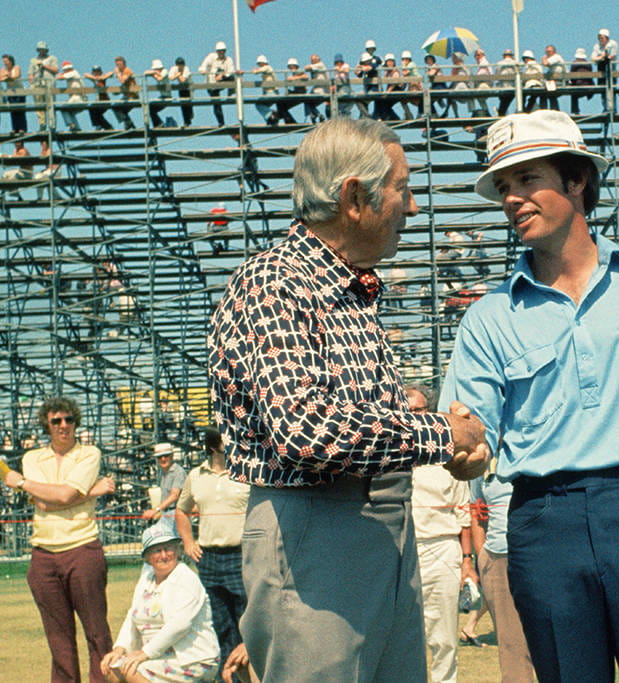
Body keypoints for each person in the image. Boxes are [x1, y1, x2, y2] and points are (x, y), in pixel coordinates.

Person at [439, 110, 619, 682]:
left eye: (527, 179)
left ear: (577, 180)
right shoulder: (487, 317)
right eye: (503, 187)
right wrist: (463, 452)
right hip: (542, 523)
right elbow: (473, 441)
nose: (512, 199)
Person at [206, 117, 489, 680]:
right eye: (402, 188)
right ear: (354, 198)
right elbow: (306, 431)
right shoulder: (276, 281)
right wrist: (442, 436)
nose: (411, 207)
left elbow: (339, 411)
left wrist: (421, 424)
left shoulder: (349, 288)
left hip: (379, 524)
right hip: (316, 530)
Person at [2, 396, 116, 683]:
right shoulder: (32, 458)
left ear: (76, 422)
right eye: (56, 421)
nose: (64, 426)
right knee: (58, 638)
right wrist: (90, 491)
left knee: (97, 632)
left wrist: (22, 482)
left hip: (82, 549)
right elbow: (44, 504)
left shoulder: (89, 453)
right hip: (43, 556)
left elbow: (60, 497)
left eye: (69, 419)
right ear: (47, 425)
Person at [408, 384, 478, 683]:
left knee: (444, 635)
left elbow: (464, 515)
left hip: (442, 550)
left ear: (430, 412)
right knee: (405, 635)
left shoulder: (446, 455)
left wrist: (466, 562)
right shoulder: (391, 453)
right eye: (406, 412)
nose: (411, 417)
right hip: (403, 551)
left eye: (418, 411)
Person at [175, 428, 250, 675]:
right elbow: (181, 510)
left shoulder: (246, 472)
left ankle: (253, 675)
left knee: (247, 623)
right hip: (209, 558)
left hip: (241, 555)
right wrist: (188, 542)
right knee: (220, 623)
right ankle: (228, 676)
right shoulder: (195, 476)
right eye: (226, 438)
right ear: (213, 445)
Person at [100, 526, 220, 682]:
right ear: (148, 557)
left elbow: (180, 624)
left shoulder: (186, 579)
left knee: (132, 670)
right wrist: (119, 649)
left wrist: (144, 653)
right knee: (112, 669)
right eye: (157, 550)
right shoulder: (147, 577)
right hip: (157, 655)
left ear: (177, 551)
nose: (164, 555)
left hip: (192, 659)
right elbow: (132, 615)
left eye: (168, 548)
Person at [469, 462, 535, 682]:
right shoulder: (484, 460)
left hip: (540, 554)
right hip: (498, 557)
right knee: (512, 648)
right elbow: (476, 509)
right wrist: (482, 556)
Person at [142, 441, 186, 528]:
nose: (163, 459)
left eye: (166, 456)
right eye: (159, 457)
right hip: (166, 514)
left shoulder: (178, 472)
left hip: (177, 514)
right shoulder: (163, 473)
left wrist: (156, 510)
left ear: (172, 456)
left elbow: (174, 495)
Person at [198, 41, 235, 126]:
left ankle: (231, 93)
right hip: (212, 84)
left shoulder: (228, 60)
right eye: (219, 51)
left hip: (221, 82)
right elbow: (203, 65)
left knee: (233, 78)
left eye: (222, 51)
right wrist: (203, 70)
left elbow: (230, 72)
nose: (221, 53)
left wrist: (222, 76)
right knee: (216, 103)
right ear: (217, 51)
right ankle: (221, 122)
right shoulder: (211, 57)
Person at [29, 40, 59, 129]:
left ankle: (52, 124)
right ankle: (42, 124)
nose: (41, 51)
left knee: (50, 104)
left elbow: (56, 70)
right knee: (38, 105)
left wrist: (44, 66)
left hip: (49, 83)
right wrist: (31, 82)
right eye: (40, 49)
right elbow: (30, 73)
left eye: (43, 49)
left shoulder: (52, 58)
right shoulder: (34, 60)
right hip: (37, 84)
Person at [82, 64, 115, 130]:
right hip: (98, 101)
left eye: (98, 71)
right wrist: (95, 78)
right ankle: (104, 126)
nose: (96, 73)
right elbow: (85, 74)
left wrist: (102, 77)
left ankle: (105, 126)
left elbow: (111, 73)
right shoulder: (94, 80)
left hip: (105, 100)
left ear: (100, 72)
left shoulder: (103, 79)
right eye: (94, 72)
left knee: (95, 110)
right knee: (93, 110)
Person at [1, 53, 28, 133]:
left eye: (6, 61)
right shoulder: (3, 70)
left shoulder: (16, 67)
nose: (5, 63)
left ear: (11, 61)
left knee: (20, 109)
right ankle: (15, 128)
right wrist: (6, 77)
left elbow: (16, 75)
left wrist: (8, 77)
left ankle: (22, 128)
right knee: (13, 110)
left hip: (19, 90)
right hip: (10, 91)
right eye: (4, 61)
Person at [56, 60, 84, 131]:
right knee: (69, 111)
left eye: (65, 70)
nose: (65, 71)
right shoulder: (72, 73)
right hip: (76, 97)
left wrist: (61, 74)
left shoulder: (73, 73)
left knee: (63, 108)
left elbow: (59, 77)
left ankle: (71, 125)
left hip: (77, 97)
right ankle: (76, 127)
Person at [143, 59, 171, 127]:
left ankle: (159, 124)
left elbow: (160, 78)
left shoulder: (165, 71)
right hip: (163, 96)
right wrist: (153, 73)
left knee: (151, 108)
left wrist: (153, 73)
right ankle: (158, 124)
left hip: (167, 97)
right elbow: (145, 73)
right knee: (150, 108)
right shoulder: (157, 73)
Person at [252, 55, 279, 124]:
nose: (259, 65)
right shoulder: (266, 70)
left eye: (260, 64)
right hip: (269, 93)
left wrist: (255, 70)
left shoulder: (268, 68)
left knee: (258, 104)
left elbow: (258, 71)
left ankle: (271, 113)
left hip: (272, 93)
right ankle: (271, 118)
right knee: (261, 105)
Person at [168, 56, 194, 126]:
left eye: (181, 65)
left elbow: (183, 80)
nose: (180, 66)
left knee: (189, 103)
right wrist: (178, 75)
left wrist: (177, 75)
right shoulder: (174, 68)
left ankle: (190, 116)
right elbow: (170, 78)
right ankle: (186, 121)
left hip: (189, 87)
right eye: (178, 65)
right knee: (183, 104)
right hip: (181, 87)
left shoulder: (186, 69)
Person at [567, 47, 593, 115]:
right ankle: (590, 95)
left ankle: (575, 111)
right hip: (588, 86)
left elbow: (571, 75)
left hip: (578, 85)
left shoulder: (574, 63)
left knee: (573, 93)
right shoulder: (588, 63)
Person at [304, 53, 328, 123]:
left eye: (314, 59)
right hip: (317, 90)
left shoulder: (320, 65)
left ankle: (314, 115)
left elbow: (307, 68)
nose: (312, 61)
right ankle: (316, 115)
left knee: (306, 101)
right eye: (311, 60)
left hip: (321, 90)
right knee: (308, 103)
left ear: (318, 59)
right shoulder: (316, 67)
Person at [494, 49, 517, 116]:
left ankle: (501, 113)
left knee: (504, 102)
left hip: (503, 87)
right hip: (513, 87)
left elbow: (497, 75)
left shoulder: (499, 63)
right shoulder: (515, 63)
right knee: (506, 101)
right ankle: (502, 112)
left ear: (504, 56)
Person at [541, 45, 564, 111]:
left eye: (549, 51)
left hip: (560, 81)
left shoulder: (556, 57)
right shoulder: (553, 59)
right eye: (546, 52)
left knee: (545, 91)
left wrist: (543, 58)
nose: (548, 53)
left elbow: (545, 63)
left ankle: (546, 110)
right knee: (545, 91)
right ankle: (553, 109)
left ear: (554, 52)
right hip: (554, 81)